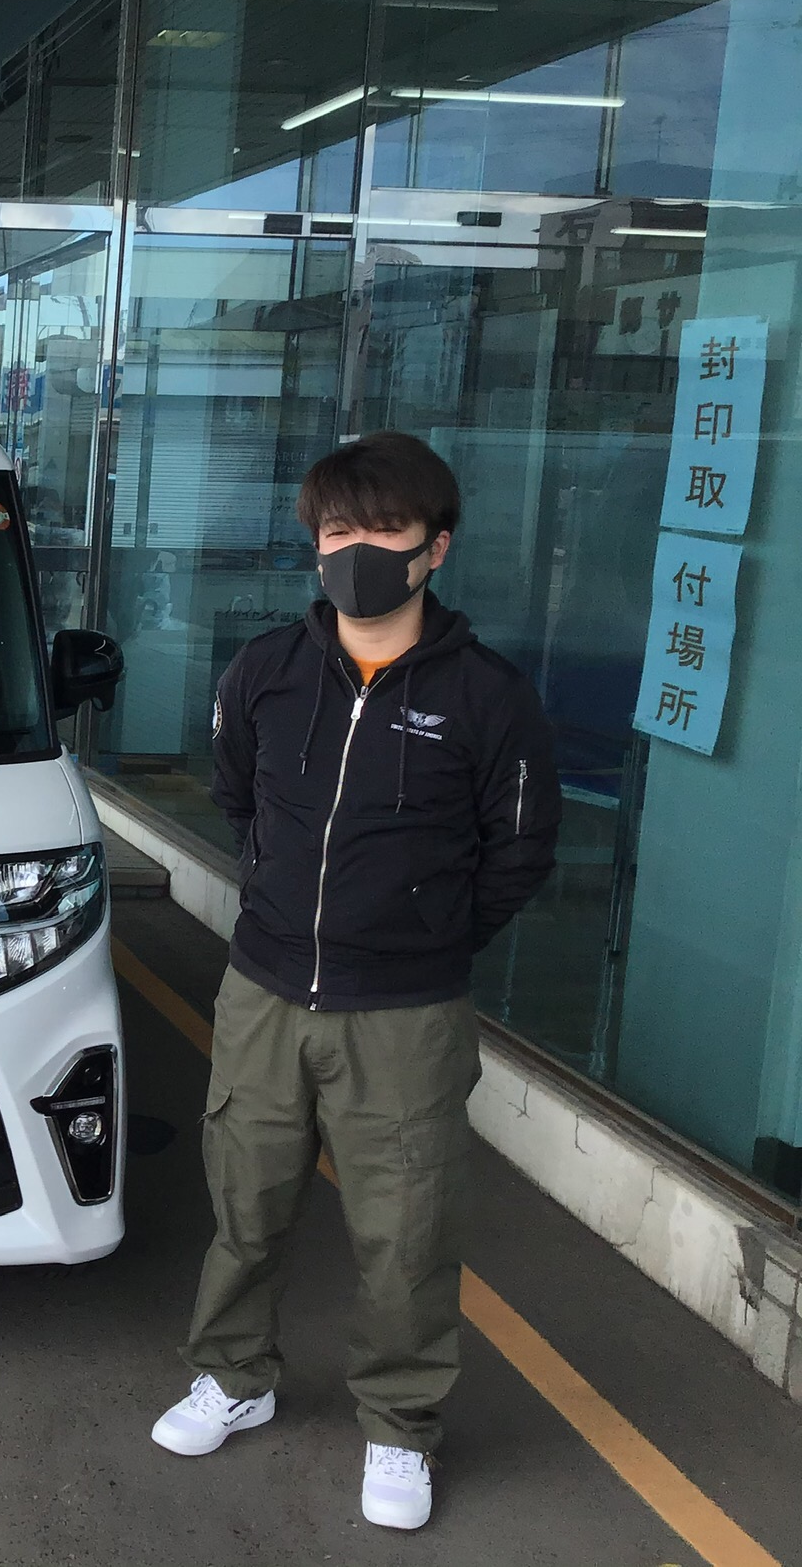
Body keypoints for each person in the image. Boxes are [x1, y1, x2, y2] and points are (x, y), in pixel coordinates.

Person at [149, 431, 559, 1530]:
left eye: (385, 530)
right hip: (265, 992)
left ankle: (400, 1427)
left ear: (436, 546)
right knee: (245, 1203)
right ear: (315, 544)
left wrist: (423, 936)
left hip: (406, 1016)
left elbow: (520, 849)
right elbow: (240, 800)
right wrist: (285, 910)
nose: (358, 552)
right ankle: (234, 1376)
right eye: (339, 531)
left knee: (406, 1233)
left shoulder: (488, 697)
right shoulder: (266, 671)